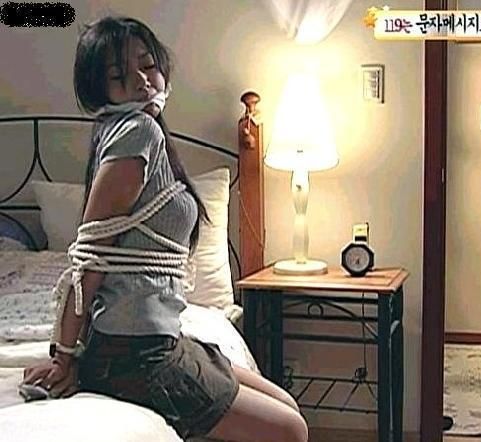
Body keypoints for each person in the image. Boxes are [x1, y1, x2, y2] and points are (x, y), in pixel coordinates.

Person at [22, 15, 308, 442]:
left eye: (148, 65)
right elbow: (91, 258)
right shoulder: (136, 132)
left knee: (286, 406)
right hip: (133, 354)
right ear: (101, 89)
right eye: (119, 75)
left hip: (160, 337)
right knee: (291, 430)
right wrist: (63, 357)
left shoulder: (138, 132)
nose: (142, 81)